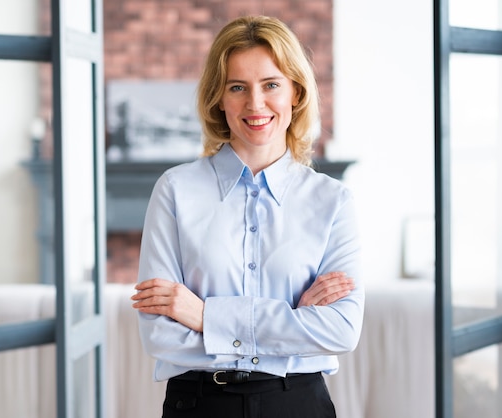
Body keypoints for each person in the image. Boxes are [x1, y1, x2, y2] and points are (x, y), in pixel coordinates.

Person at [131, 15, 364, 418]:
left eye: (271, 84)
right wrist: (295, 320)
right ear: (218, 98)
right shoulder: (175, 191)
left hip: (298, 404)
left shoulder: (333, 201)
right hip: (198, 404)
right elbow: (160, 335)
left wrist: (205, 316)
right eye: (237, 87)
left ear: (296, 92)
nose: (255, 104)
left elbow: (341, 330)